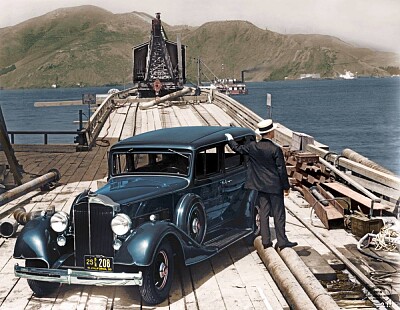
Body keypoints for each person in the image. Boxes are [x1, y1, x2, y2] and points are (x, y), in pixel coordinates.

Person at [225, 119, 297, 250]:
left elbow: (237, 149)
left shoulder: (252, 146)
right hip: (275, 187)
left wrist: (230, 139)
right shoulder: (275, 149)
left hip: (260, 186)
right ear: (270, 133)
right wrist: (286, 187)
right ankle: (282, 241)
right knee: (279, 214)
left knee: (264, 213)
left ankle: (266, 241)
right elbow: (281, 170)